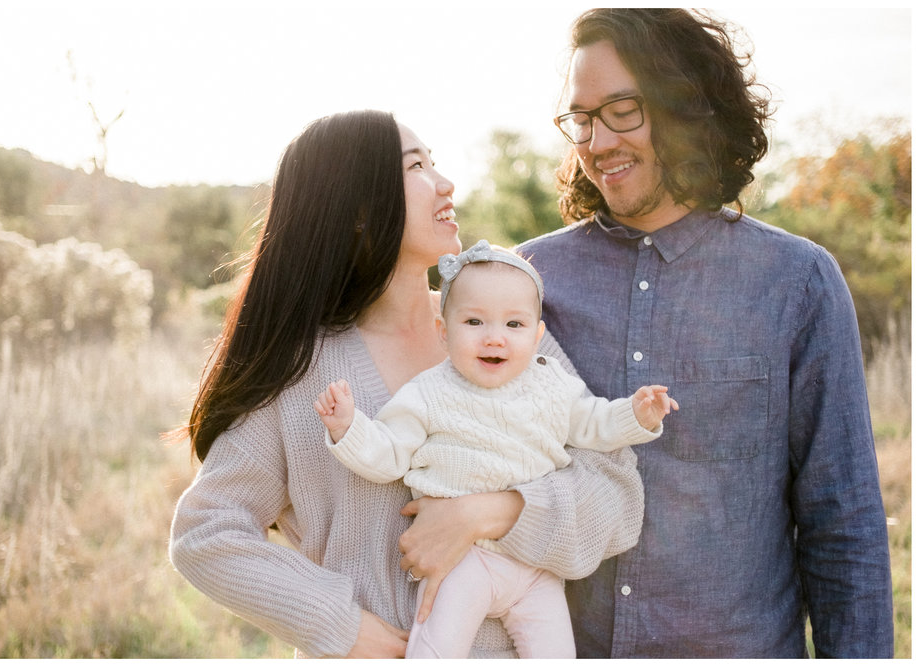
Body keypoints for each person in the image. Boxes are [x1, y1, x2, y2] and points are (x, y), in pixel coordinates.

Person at [168, 110, 646, 658]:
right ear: (358, 209)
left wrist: (491, 512)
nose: (445, 183)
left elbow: (616, 493)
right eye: (416, 166)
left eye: (435, 162)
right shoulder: (304, 373)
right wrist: (342, 626)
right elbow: (206, 533)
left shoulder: (500, 331)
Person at [517, 8, 894, 658]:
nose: (597, 141)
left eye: (622, 110)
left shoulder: (796, 283)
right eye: (581, 117)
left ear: (686, 106)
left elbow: (844, 527)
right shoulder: (526, 282)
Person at [313, 240, 676, 658]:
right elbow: (390, 453)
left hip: (535, 562)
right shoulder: (428, 394)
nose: (494, 339)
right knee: (436, 649)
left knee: (557, 655)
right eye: (474, 322)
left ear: (537, 335)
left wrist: (639, 414)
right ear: (443, 331)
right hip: (463, 559)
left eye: (514, 325)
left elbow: (594, 423)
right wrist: (349, 428)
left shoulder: (552, 383)